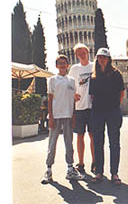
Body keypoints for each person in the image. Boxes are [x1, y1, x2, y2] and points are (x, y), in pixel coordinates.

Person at [42, 54, 84, 184]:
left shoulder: (71, 81)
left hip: (68, 116)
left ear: (67, 65)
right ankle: (48, 171)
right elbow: (49, 99)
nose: (62, 65)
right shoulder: (52, 80)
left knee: (69, 144)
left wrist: (73, 116)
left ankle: (70, 169)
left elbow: (72, 100)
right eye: (59, 63)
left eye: (64, 63)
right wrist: (51, 117)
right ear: (56, 65)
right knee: (52, 145)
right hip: (55, 116)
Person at [89, 47, 125, 185]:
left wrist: (114, 106)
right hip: (97, 112)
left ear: (109, 59)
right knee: (98, 142)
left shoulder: (116, 74)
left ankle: (114, 173)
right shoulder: (94, 76)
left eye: (103, 57)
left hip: (112, 112)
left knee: (114, 143)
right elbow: (92, 95)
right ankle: (99, 172)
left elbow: (121, 93)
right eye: (99, 57)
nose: (101, 59)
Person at [69, 43, 96, 174]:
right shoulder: (74, 69)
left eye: (83, 52)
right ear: (76, 55)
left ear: (88, 52)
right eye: (78, 53)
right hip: (79, 107)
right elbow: (69, 86)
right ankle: (80, 163)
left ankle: (95, 162)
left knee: (93, 136)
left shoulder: (94, 66)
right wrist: (72, 94)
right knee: (80, 136)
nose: (81, 54)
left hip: (92, 107)